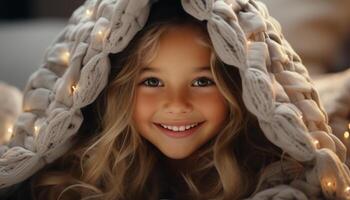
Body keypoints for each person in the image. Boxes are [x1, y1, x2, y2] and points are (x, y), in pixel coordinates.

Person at [0, 0, 348, 200]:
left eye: (201, 81)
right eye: (152, 81)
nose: (177, 103)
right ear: (116, 89)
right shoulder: (79, 173)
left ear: (237, 89)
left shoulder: (272, 171)